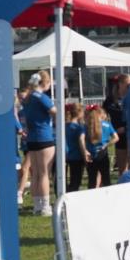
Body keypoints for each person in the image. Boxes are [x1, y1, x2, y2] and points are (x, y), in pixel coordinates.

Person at [22, 71, 57, 215]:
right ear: (46, 83)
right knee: (44, 174)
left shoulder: (28, 97)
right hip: (44, 137)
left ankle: (37, 206)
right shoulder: (42, 97)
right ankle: (45, 206)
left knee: (36, 173)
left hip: (32, 138)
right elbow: (55, 112)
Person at [103, 73, 130, 177]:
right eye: (129, 84)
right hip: (119, 137)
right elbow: (103, 118)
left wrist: (125, 128)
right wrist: (111, 130)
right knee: (122, 169)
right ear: (121, 84)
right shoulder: (110, 100)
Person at [84, 105, 117, 188]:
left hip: (90, 155)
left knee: (92, 181)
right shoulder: (107, 124)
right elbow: (116, 138)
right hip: (103, 154)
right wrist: (107, 144)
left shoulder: (86, 126)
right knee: (106, 179)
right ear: (100, 114)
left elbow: (82, 140)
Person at [64, 103, 87, 193]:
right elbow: (81, 142)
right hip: (77, 156)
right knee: (76, 181)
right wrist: (84, 153)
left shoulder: (65, 126)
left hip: (67, 155)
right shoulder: (79, 127)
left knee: (69, 180)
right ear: (80, 113)